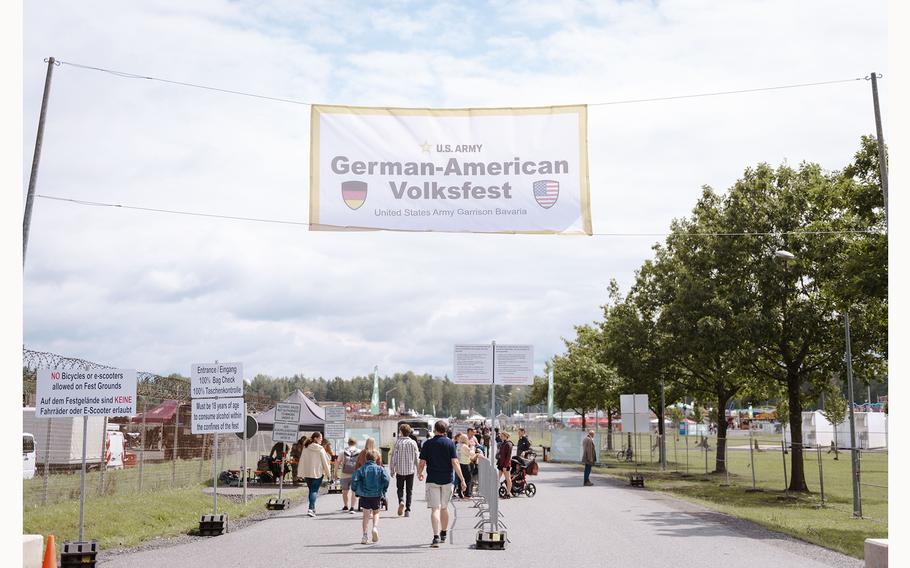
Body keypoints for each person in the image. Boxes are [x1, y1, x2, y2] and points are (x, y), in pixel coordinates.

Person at [417, 420, 466, 548]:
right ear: (446, 430)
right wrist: (462, 479)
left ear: (435, 429)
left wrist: (419, 473)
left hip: (432, 479)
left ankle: (435, 536)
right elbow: (455, 462)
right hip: (447, 479)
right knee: (444, 507)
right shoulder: (450, 443)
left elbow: (422, 462)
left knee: (435, 509)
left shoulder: (428, 444)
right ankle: (444, 532)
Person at [352, 450, 389, 545]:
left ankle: (364, 536)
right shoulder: (380, 469)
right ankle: (375, 527)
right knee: (376, 512)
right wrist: (384, 489)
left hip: (364, 494)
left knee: (365, 515)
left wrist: (355, 489)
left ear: (366, 458)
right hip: (376, 494)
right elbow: (386, 479)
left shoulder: (362, 469)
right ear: (376, 458)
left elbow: (355, 479)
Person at [390, 424, 419, 517]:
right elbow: (416, 458)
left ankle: (401, 501)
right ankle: (408, 510)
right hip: (410, 470)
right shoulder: (413, 443)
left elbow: (394, 456)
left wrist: (392, 469)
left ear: (401, 432)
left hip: (400, 470)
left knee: (400, 489)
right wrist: (419, 470)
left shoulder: (398, 443)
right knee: (409, 490)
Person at [300, 432, 332, 516]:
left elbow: (302, 461)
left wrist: (302, 472)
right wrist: (329, 474)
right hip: (317, 473)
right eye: (320, 438)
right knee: (314, 491)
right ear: (315, 438)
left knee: (311, 491)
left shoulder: (306, 447)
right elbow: (325, 462)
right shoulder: (320, 449)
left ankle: (313, 509)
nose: (321, 439)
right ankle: (310, 509)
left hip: (307, 473)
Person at [339, 438, 361, 513]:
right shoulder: (359, 451)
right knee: (354, 491)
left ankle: (346, 506)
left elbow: (338, 462)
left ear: (348, 443)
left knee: (345, 491)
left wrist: (335, 473)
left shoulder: (343, 451)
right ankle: (352, 507)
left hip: (344, 474)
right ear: (355, 443)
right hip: (355, 474)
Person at [455, 433, 476, 498]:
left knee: (460, 479)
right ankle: (467, 494)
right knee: (468, 479)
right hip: (465, 464)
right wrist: (472, 448)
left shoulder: (457, 445)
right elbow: (471, 454)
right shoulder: (464, 446)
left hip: (459, 463)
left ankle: (460, 492)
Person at [497, 431, 514, 498]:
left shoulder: (508, 444)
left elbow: (508, 457)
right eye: (500, 436)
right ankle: (495, 490)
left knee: (508, 478)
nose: (500, 437)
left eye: (502, 436)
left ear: (505, 436)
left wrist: (505, 466)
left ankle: (508, 493)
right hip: (501, 463)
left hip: (506, 465)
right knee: (497, 478)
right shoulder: (503, 443)